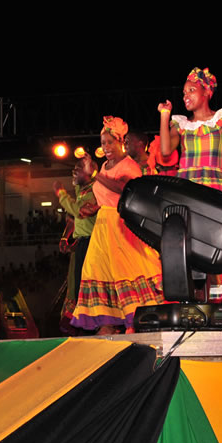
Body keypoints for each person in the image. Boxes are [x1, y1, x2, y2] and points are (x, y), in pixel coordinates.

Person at [158, 67, 222, 330]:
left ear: (206, 91)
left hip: (216, 191)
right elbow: (165, 152)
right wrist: (165, 116)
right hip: (188, 191)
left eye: (191, 90)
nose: (186, 96)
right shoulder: (181, 123)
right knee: (189, 251)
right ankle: (197, 316)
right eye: (184, 92)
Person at [71, 116, 165, 333]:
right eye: (103, 143)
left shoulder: (129, 166)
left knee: (125, 272)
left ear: (121, 142)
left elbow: (122, 189)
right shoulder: (105, 166)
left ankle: (133, 323)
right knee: (96, 270)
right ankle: (105, 326)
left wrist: (94, 175)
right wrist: (93, 207)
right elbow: (104, 193)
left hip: (121, 226)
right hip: (102, 227)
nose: (106, 148)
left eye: (110, 142)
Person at [53, 158, 98, 330]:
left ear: (89, 171)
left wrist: (61, 194)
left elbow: (79, 212)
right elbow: (72, 218)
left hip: (92, 243)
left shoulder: (95, 190)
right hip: (82, 242)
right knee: (77, 283)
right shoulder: (82, 189)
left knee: (85, 284)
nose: (74, 171)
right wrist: (66, 238)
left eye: (78, 168)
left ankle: (90, 323)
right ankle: (79, 320)